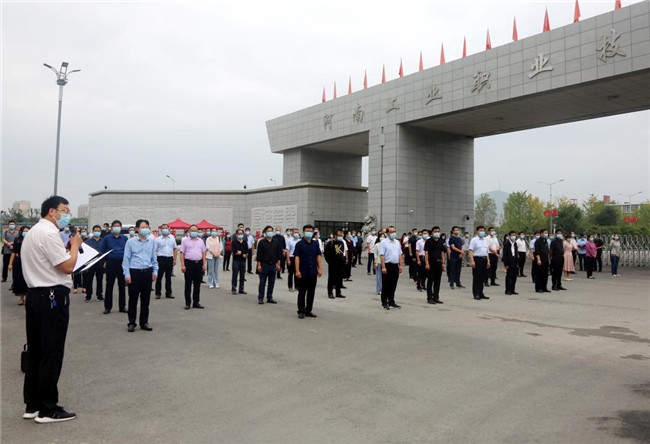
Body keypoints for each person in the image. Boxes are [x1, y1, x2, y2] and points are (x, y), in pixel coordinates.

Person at [21, 195, 82, 422]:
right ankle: (48, 408)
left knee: (37, 351)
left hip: (36, 296)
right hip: (51, 297)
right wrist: (75, 246)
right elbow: (67, 267)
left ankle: (33, 404)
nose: (67, 215)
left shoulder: (34, 232)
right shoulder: (48, 233)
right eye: (64, 210)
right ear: (51, 211)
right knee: (51, 352)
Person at [122, 219, 158, 332]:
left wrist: (155, 271)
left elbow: (154, 258)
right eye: (143, 227)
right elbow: (126, 259)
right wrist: (127, 274)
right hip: (134, 272)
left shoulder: (151, 241)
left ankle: (144, 322)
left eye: (147, 227)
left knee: (145, 299)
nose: (145, 229)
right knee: (133, 299)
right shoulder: (130, 242)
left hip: (147, 272)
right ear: (137, 229)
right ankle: (132, 322)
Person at [294, 225, 322, 318]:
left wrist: (319, 268)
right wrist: (297, 270)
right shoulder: (299, 244)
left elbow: (318, 256)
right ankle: (301, 310)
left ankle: (308, 310)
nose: (309, 232)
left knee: (311, 292)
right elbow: (297, 257)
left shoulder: (315, 244)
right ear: (303, 232)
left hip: (313, 271)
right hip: (303, 272)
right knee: (302, 292)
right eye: (307, 231)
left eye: (311, 231)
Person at [100, 220, 128, 315]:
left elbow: (128, 251)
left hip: (122, 263)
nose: (116, 227)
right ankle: (108, 307)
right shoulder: (107, 238)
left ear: (121, 227)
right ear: (111, 228)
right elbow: (102, 251)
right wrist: (104, 262)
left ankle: (122, 306)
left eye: (118, 226)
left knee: (122, 285)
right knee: (109, 285)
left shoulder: (124, 238)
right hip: (110, 263)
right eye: (114, 226)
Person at [179, 225, 207, 309]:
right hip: (189, 263)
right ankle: (188, 302)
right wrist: (183, 265)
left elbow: (203, 253)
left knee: (197, 284)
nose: (194, 232)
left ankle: (196, 302)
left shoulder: (200, 241)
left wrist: (204, 264)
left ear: (198, 231)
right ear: (189, 231)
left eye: (195, 230)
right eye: (192, 230)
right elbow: (182, 253)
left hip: (198, 263)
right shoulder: (185, 240)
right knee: (188, 283)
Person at [256, 225, 282, 304]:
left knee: (272, 282)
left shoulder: (276, 242)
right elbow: (259, 255)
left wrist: (278, 264)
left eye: (271, 231)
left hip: (273, 265)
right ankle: (261, 297)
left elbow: (279, 254)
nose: (270, 232)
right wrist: (259, 265)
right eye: (268, 231)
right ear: (265, 232)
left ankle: (269, 297)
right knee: (262, 282)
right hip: (264, 264)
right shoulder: (261, 242)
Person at [379, 226, 403, 310]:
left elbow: (400, 254)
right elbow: (382, 255)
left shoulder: (397, 242)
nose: (393, 233)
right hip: (387, 265)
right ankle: (384, 302)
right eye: (391, 232)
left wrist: (400, 265)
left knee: (393, 285)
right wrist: (383, 267)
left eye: (394, 231)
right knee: (386, 285)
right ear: (387, 233)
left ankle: (391, 301)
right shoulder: (384, 242)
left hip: (395, 266)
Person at [154, 224, 178, 298]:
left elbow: (175, 248)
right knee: (159, 277)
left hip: (169, 258)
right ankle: (158, 293)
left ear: (169, 229)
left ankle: (168, 293)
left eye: (166, 228)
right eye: (163, 228)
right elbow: (155, 250)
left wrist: (175, 259)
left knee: (168, 277)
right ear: (161, 230)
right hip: (160, 259)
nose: (165, 229)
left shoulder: (172, 238)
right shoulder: (158, 239)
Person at [424, 227, 446, 304]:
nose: (437, 233)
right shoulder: (428, 241)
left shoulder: (441, 241)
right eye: (435, 231)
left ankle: (436, 297)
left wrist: (443, 263)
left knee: (437, 281)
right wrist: (427, 263)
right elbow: (426, 252)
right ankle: (430, 298)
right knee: (430, 281)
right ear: (432, 232)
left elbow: (442, 252)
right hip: (431, 263)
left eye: (438, 231)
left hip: (439, 262)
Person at [9, 225, 30, 305]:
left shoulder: (32, 240)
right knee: (20, 280)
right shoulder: (17, 240)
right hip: (19, 262)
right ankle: (21, 298)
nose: (25, 233)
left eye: (27, 231)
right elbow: (14, 252)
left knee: (29, 280)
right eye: (24, 231)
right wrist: (10, 264)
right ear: (21, 232)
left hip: (30, 262)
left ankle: (29, 298)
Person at [469, 226, 490, 301]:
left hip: (484, 259)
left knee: (482, 277)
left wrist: (488, 261)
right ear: (477, 231)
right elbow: (471, 250)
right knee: (476, 277)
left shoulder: (485, 240)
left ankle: (481, 292)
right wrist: (472, 261)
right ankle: (476, 293)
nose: (482, 232)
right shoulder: (474, 240)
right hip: (477, 259)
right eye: (481, 230)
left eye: (483, 230)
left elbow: (487, 251)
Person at [83, 225, 104, 302]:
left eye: (98, 231)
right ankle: (88, 296)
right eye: (95, 231)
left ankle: (99, 295)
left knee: (100, 280)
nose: (97, 232)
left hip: (100, 263)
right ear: (92, 231)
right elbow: (84, 253)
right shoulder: (87, 242)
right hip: (90, 263)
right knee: (89, 280)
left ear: (100, 232)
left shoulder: (103, 241)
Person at [324, 229, 347, 299]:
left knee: (339, 278)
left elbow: (342, 252)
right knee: (331, 278)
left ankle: (338, 292)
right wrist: (329, 261)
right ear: (335, 235)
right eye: (339, 235)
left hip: (340, 263)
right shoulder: (330, 243)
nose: (340, 237)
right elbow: (326, 253)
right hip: (332, 264)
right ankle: (330, 292)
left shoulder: (341, 243)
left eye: (341, 235)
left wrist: (343, 260)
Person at [230, 228, 248, 294]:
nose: (240, 235)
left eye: (241, 234)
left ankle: (241, 289)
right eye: (239, 234)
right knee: (235, 274)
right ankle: (233, 288)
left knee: (242, 275)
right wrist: (239, 252)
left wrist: (242, 252)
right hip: (236, 260)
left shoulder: (245, 242)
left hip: (243, 260)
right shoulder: (234, 242)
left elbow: (246, 250)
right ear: (237, 234)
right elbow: (234, 250)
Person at [501, 231, 519, 295]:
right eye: (512, 235)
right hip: (509, 261)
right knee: (509, 276)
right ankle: (507, 290)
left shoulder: (515, 243)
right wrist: (506, 264)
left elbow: (516, 253)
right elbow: (505, 255)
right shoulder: (507, 243)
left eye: (514, 235)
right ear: (509, 236)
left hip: (514, 260)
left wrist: (517, 263)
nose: (514, 236)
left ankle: (512, 289)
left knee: (514, 276)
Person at [373, 230, 385, 295]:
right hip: (379, 262)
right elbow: (375, 255)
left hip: (385, 262)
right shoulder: (377, 245)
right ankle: (379, 289)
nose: (382, 238)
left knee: (385, 277)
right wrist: (376, 262)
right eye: (381, 237)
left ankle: (384, 289)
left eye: (383, 237)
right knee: (379, 277)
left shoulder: (386, 245)